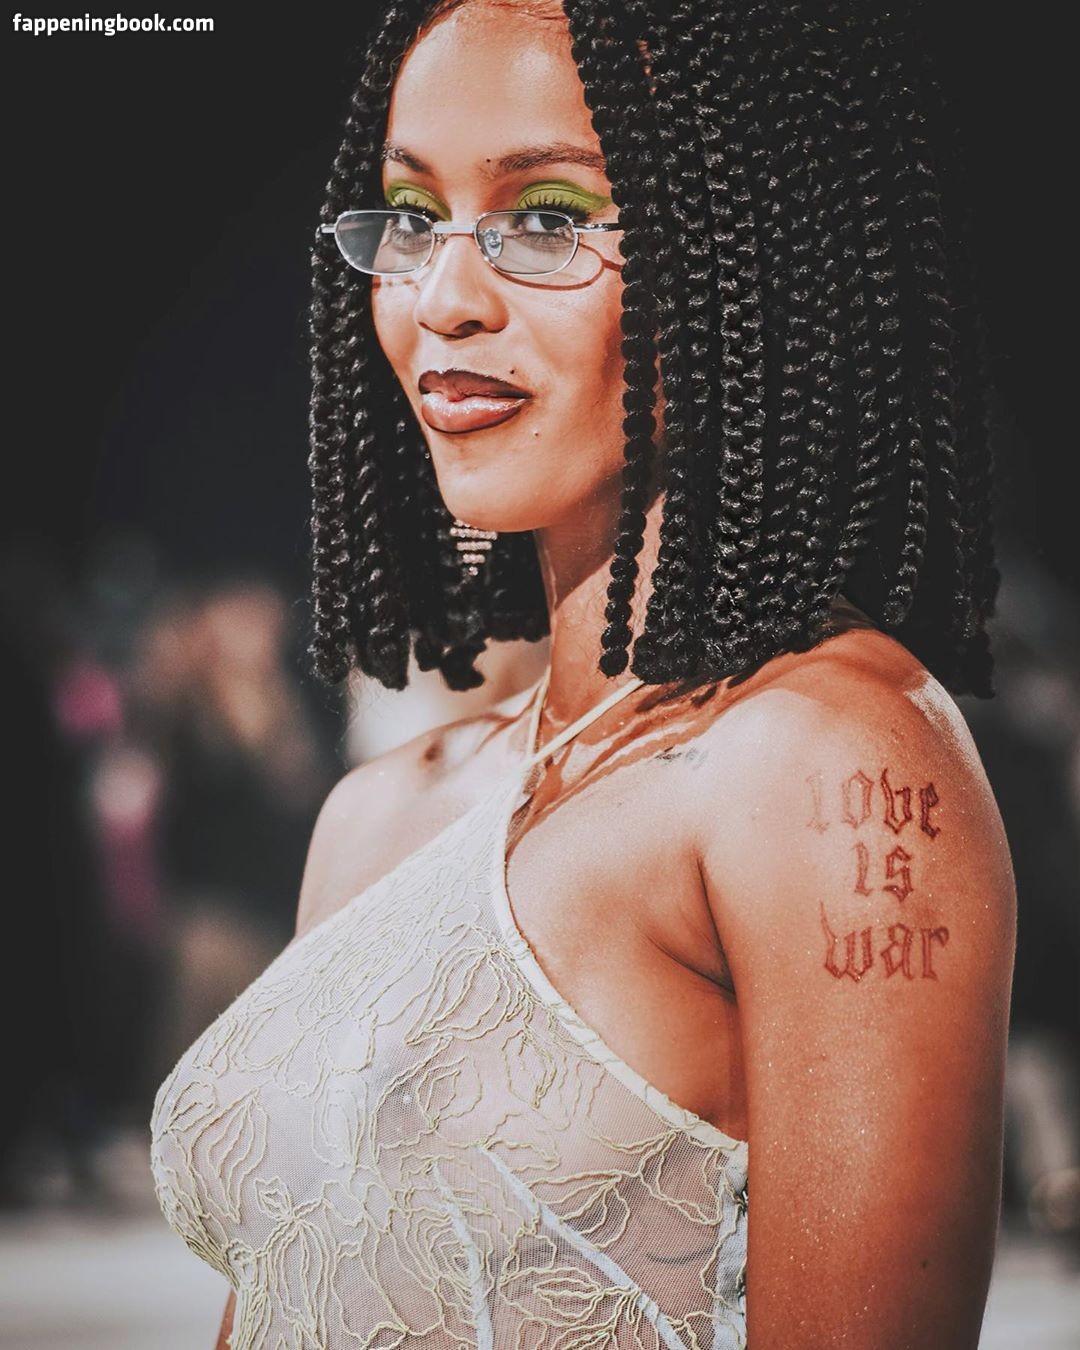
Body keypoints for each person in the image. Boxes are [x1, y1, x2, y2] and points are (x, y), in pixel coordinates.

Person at [149, 2, 1017, 1347]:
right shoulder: (379, 816)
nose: (442, 297)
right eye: (413, 217)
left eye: (549, 218)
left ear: (750, 254)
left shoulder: (827, 767)